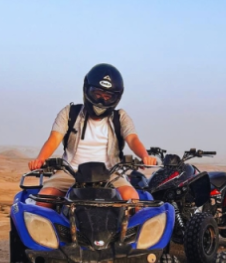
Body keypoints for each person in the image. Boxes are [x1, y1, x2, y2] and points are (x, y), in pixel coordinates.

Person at [28, 63, 157, 206]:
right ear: (86, 90)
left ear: (116, 97)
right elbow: (54, 139)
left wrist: (144, 156)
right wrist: (41, 159)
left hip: (110, 174)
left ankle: (130, 229)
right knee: (44, 199)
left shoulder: (120, 117)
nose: (101, 100)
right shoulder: (70, 113)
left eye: (107, 96)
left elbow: (132, 139)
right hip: (71, 172)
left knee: (132, 198)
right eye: (97, 94)